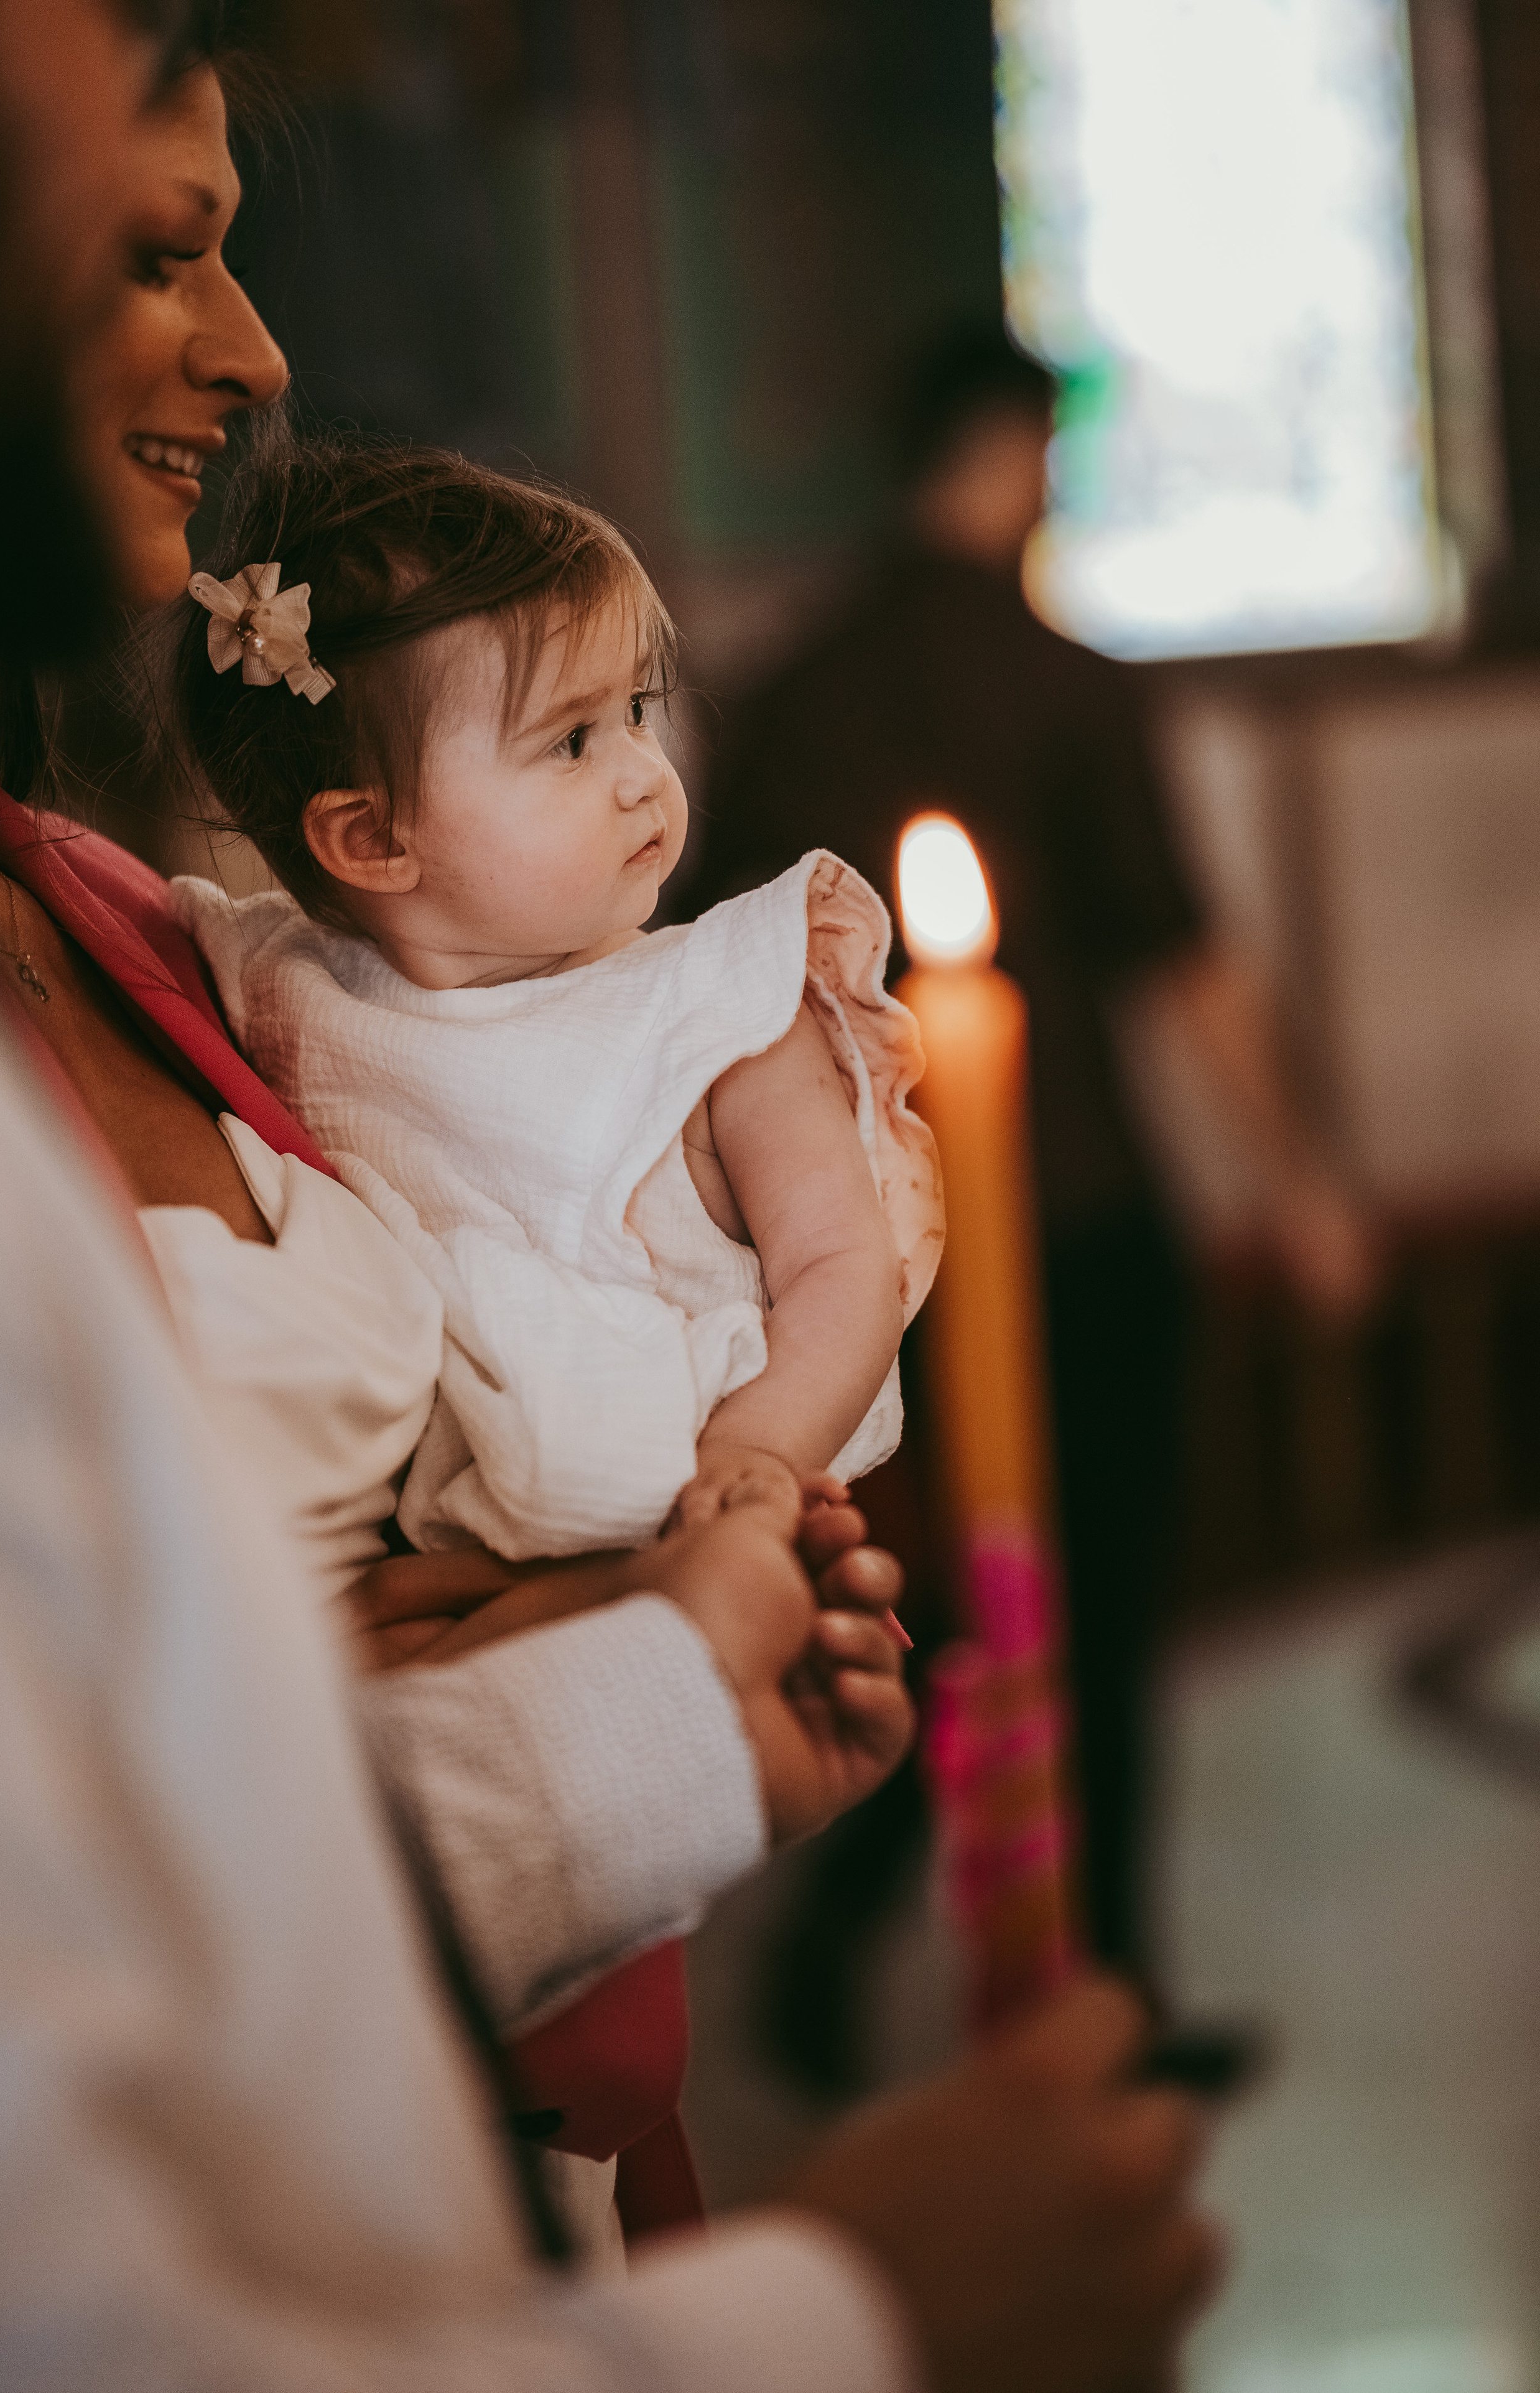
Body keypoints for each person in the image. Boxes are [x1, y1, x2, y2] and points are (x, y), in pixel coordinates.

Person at [0, 11, 1223, 2384]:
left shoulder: (112, 913)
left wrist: (650, 1686)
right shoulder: (277, 956)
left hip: (514, 2135)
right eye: (155, 242)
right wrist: (867, 2312)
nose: (258, 348)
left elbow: (174, 1790)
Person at [692, 320, 1381, 2009]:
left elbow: (706, 988)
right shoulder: (1058, 673)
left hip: (859, 1251)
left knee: (945, 1590)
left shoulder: (793, 690)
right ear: (1017, 454)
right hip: (1079, 1215)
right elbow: (1185, 958)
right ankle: (1110, 1988)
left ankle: (844, 1943)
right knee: (1095, 1605)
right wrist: (1302, 1185)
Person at [157, 429, 945, 1569]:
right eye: (573, 741)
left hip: (705, 1504)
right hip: (437, 1550)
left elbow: (845, 1271)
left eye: (636, 708)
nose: (644, 770)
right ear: (374, 836)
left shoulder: (720, 1017)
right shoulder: (289, 986)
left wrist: (757, 1460)